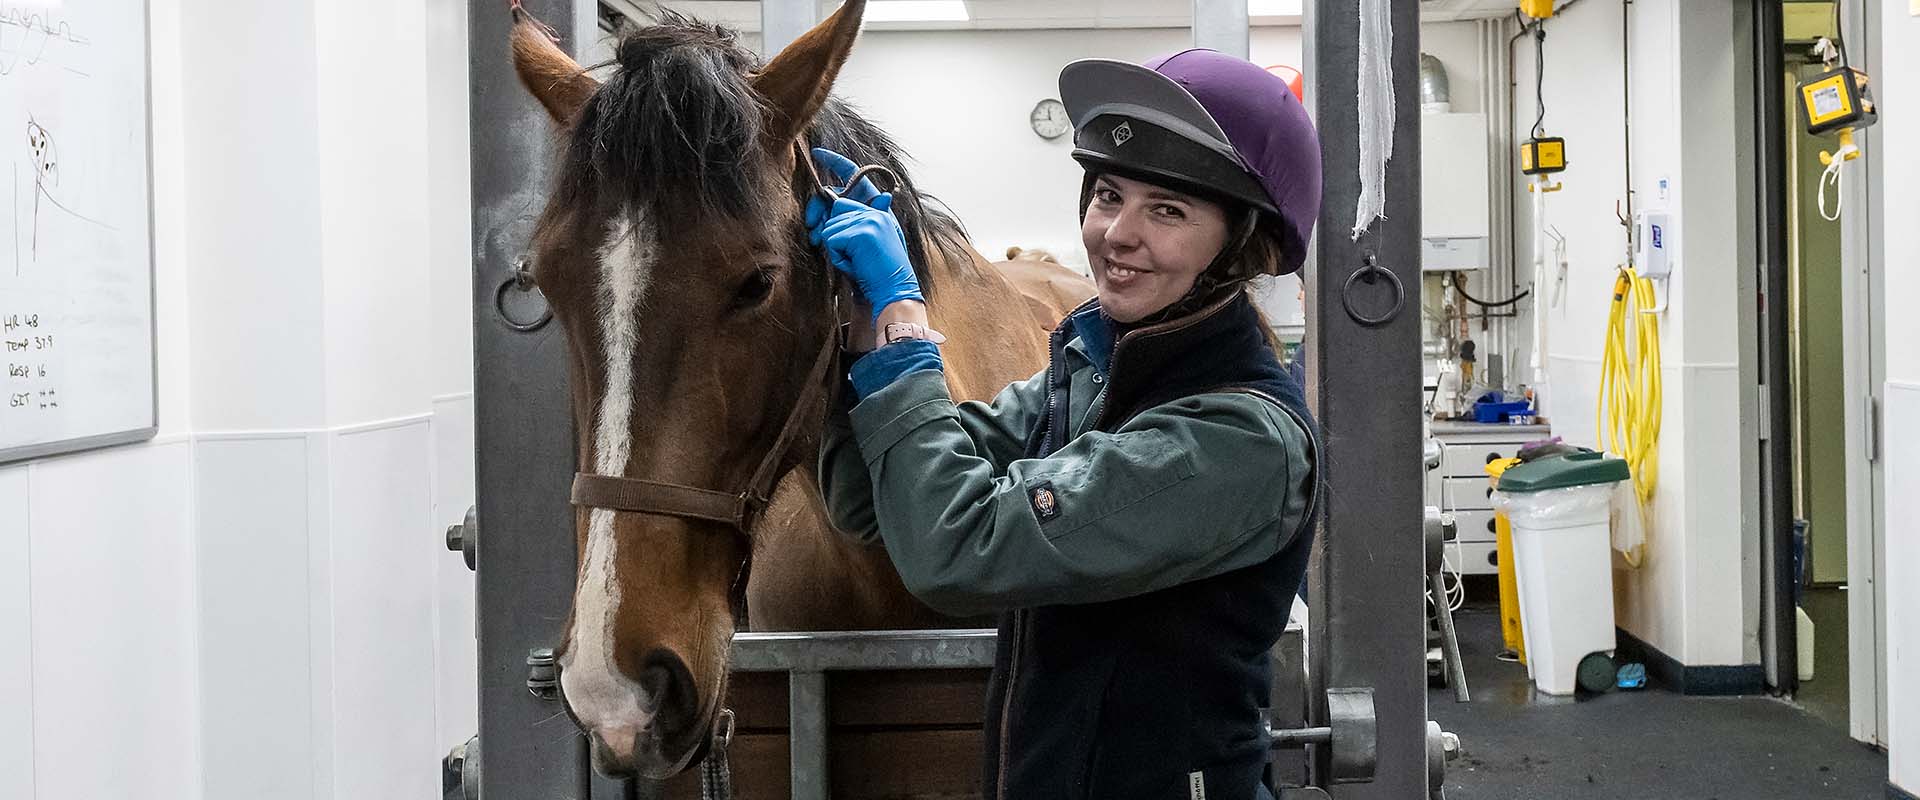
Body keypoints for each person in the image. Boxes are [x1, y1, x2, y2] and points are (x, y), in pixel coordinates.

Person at [811, 49, 1323, 800]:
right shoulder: (1089, 370)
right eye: (1108, 194)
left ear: (1241, 247)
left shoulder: (1243, 439)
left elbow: (957, 549)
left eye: (1167, 211)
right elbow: (868, 501)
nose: (1117, 233)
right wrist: (843, 329)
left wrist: (904, 325)